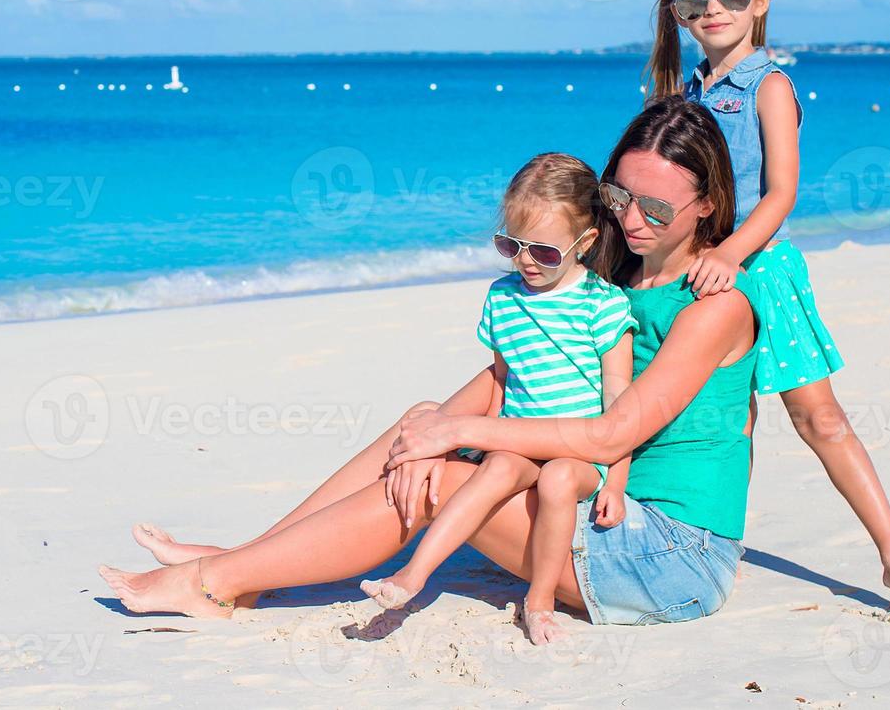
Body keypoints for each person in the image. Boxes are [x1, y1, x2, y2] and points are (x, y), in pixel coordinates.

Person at [101, 97, 761, 627]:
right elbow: (504, 374)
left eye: (657, 208)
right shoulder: (611, 280)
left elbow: (614, 432)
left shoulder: (714, 305)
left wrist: (459, 437)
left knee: (444, 475)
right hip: (585, 499)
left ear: (707, 204)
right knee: (419, 427)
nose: (635, 220)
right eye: (621, 199)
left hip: (670, 555)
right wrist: (430, 431)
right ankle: (249, 561)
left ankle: (211, 583)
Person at [644, 0, 890, 615]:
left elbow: (780, 193)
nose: (714, 7)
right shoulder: (682, 92)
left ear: (760, 1)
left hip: (758, 272)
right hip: (697, 278)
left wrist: (731, 254)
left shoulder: (769, 85)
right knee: (726, 424)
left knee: (820, 419)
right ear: (679, 12)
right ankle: (719, 545)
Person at [357, 153, 635, 646]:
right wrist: (470, 442)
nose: (526, 260)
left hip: (582, 453)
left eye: (545, 252)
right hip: (517, 441)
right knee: (500, 468)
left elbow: (620, 404)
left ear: (585, 243)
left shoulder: (604, 304)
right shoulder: (502, 298)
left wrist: (616, 481)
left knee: (556, 478)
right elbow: (503, 382)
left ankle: (541, 599)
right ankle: (412, 577)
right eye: (511, 244)